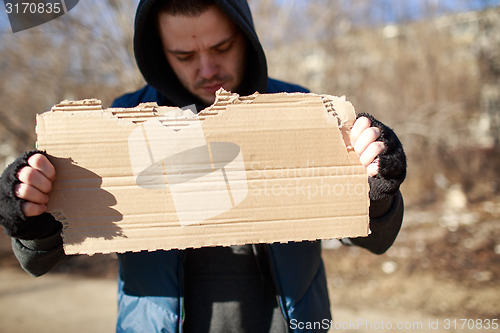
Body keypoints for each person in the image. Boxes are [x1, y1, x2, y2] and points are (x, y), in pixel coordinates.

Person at [0, 0, 407, 332]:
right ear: (159, 52)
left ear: (246, 37)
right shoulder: (120, 123)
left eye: (222, 47)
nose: (207, 69)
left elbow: (375, 239)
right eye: (184, 55)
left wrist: (376, 190)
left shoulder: (302, 110)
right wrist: (32, 215)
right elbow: (40, 261)